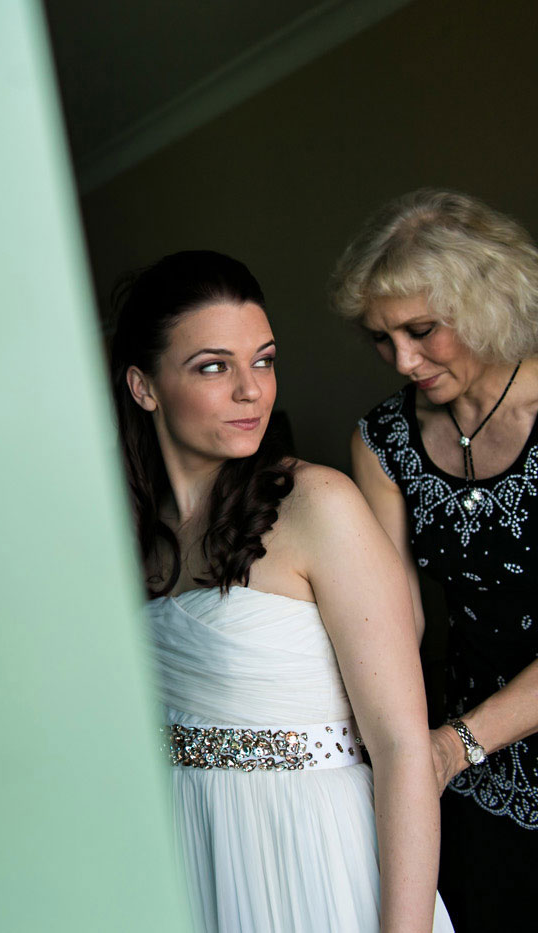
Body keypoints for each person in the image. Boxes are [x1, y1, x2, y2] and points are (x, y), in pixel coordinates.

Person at [112, 250, 449, 932]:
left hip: (316, 860)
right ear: (144, 386)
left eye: (262, 360)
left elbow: (405, 748)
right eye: (214, 366)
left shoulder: (319, 505)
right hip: (189, 857)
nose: (251, 390)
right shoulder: (126, 540)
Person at [334, 189, 538, 930]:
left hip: (468, 742)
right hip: (476, 780)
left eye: (422, 330)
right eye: (381, 339)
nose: (403, 360)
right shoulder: (383, 440)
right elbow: (393, 622)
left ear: (487, 298)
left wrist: (458, 742)